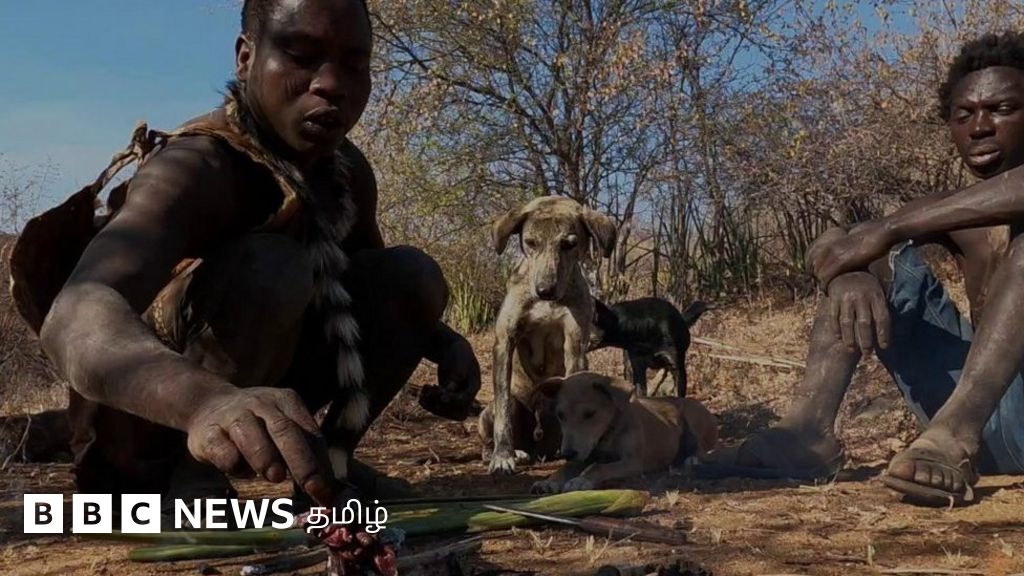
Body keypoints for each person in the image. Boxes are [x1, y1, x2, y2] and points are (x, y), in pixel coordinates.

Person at [31, 0, 481, 510]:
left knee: (411, 275)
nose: (331, 84)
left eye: (354, 64)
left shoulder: (343, 172)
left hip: (265, 403)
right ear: (246, 58)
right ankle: (194, 481)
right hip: (151, 429)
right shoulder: (193, 166)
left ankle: (329, 466)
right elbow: (74, 318)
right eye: (301, 55)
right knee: (274, 267)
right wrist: (207, 402)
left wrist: (443, 342)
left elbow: (371, 292)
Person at [732, 31, 1024, 505]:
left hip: (969, 435)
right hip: (981, 429)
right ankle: (805, 435)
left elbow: (881, 230)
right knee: (874, 263)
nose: (979, 127)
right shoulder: (949, 209)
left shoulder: (927, 216)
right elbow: (835, 244)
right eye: (963, 115)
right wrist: (853, 273)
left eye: (1002, 109)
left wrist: (886, 230)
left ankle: (954, 434)